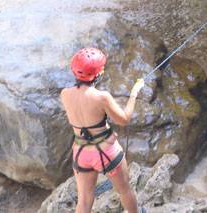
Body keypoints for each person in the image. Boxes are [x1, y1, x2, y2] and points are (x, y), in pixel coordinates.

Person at [61, 48, 146, 213]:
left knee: (84, 201)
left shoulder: (65, 94)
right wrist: (134, 94)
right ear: (98, 73)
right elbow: (124, 119)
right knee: (124, 190)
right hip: (107, 152)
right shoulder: (102, 97)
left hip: (81, 153)